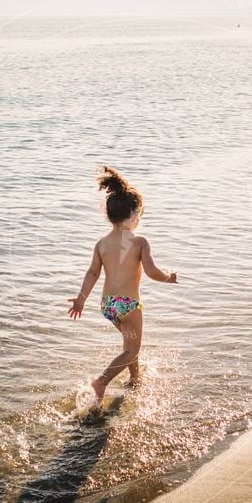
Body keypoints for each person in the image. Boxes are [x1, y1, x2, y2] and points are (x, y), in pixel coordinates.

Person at [67, 166, 178, 408]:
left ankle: (134, 377)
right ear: (134, 215)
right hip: (128, 306)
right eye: (140, 215)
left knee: (129, 344)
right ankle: (102, 381)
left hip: (108, 307)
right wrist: (169, 277)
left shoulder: (101, 243)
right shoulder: (139, 242)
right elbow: (151, 272)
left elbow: (92, 273)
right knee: (131, 349)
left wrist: (80, 299)